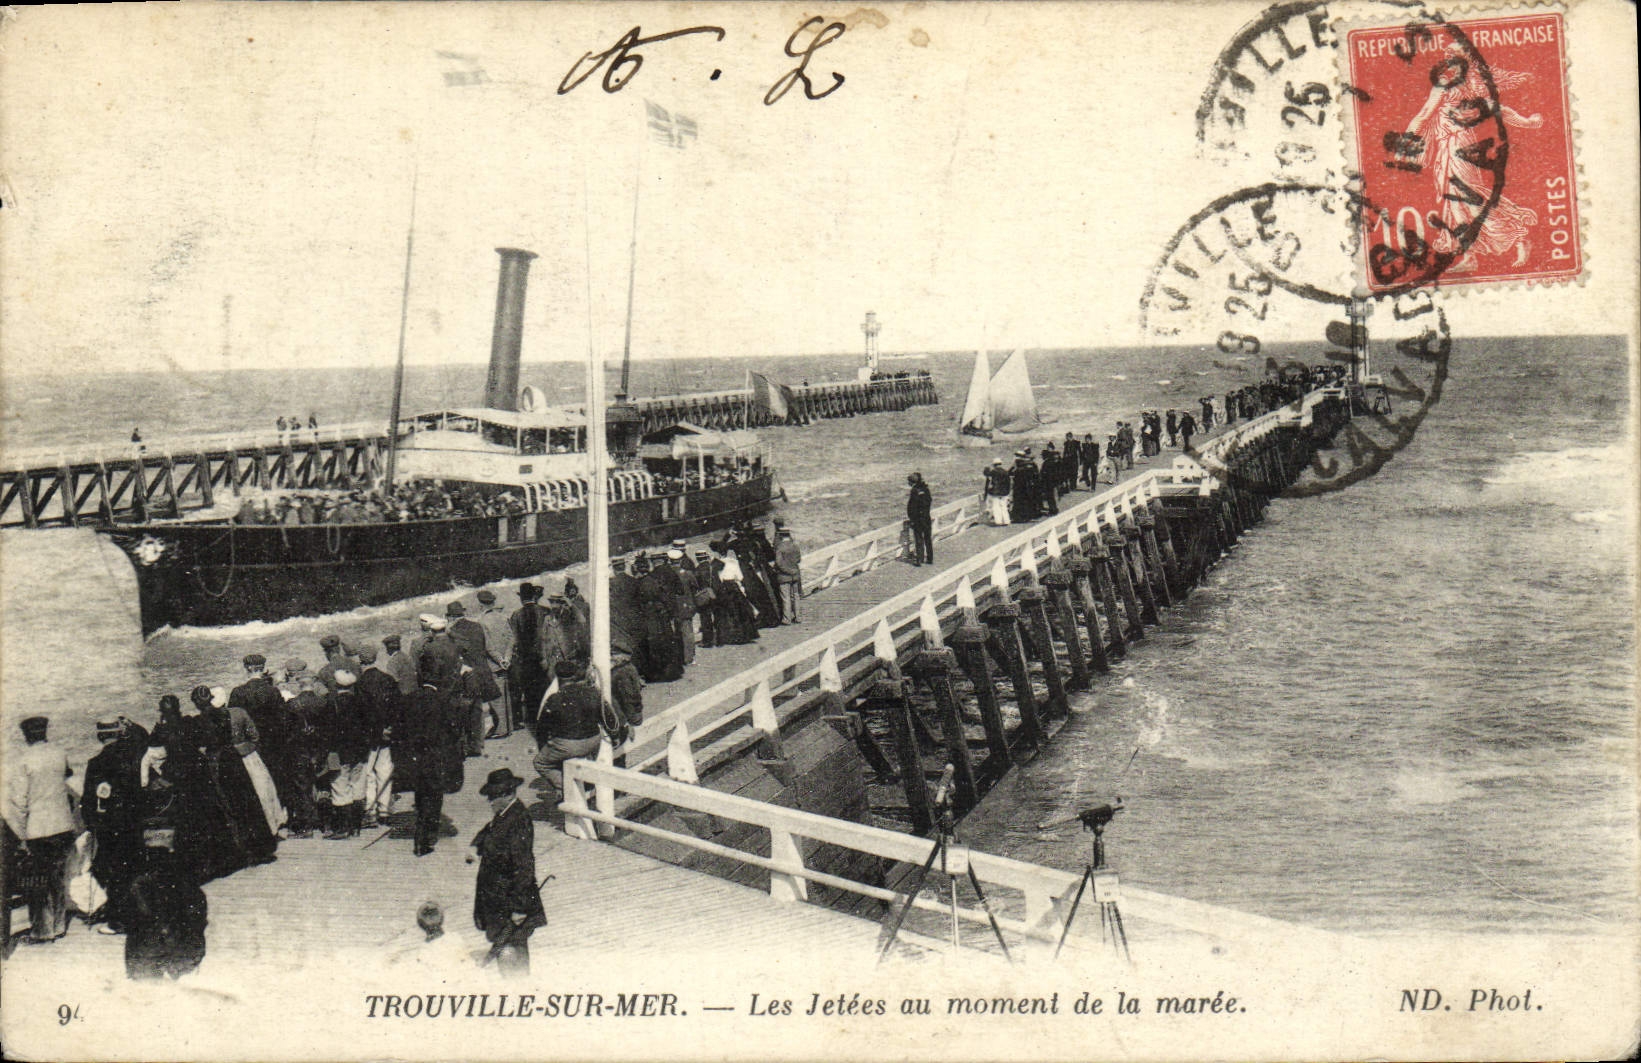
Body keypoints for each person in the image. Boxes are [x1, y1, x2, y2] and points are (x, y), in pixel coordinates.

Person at [5, 716, 77, 944]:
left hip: (39, 829)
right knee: (58, 879)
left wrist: (21, 835)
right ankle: (58, 926)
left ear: (26, 735)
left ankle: (41, 931)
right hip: (63, 825)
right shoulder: (59, 753)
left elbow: (19, 802)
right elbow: (67, 776)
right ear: (44, 732)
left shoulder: (23, 761)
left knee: (38, 882)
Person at [468, 768, 546, 978]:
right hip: (497, 899)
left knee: (511, 949)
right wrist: (476, 847)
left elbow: (524, 866)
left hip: (511, 901)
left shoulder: (518, 820)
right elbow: (490, 831)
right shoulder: (503, 815)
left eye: (493, 797)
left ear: (507, 794)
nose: (490, 802)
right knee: (506, 946)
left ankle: (517, 988)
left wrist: (520, 908)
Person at [83, 717, 149, 935]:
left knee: (114, 872)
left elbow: (89, 801)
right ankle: (142, 915)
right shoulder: (134, 756)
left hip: (110, 825)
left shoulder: (96, 763)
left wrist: (90, 822)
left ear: (100, 735)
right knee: (134, 867)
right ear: (119, 733)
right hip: (134, 821)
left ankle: (118, 920)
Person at [124, 822, 208, 980]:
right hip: (177, 961)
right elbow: (198, 920)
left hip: (149, 960)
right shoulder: (188, 887)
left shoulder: (139, 886)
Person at [398, 678, 462, 857]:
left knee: (421, 793)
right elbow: (455, 729)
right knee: (434, 796)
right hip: (436, 757)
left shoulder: (409, 699)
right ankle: (426, 837)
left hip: (415, 756)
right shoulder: (443, 699)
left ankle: (422, 833)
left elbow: (400, 728)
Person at [532, 661, 604, 797]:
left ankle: (569, 789)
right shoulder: (592, 692)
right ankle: (587, 787)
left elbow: (542, 729)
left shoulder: (554, 699)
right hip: (594, 740)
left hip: (568, 745)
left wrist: (544, 747)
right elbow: (604, 715)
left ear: (557, 678)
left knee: (540, 763)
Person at [355, 646, 401, 829]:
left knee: (369, 774)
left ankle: (370, 811)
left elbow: (363, 714)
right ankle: (385, 810)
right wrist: (389, 727)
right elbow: (397, 707)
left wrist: (375, 730)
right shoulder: (388, 679)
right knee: (385, 771)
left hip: (371, 735)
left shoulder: (360, 684)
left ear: (361, 661)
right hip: (388, 733)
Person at [508, 585, 551, 730]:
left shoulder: (516, 614)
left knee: (529, 689)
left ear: (521, 598)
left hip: (525, 659)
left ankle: (533, 719)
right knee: (545, 686)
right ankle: (546, 716)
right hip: (544, 656)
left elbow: (513, 639)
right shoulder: (545, 611)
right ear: (535, 596)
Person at [473, 590, 515, 735]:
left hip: (493, 663)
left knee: (496, 697)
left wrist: (499, 659)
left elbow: (488, 646)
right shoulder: (503, 617)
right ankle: (509, 726)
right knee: (506, 693)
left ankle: (501, 729)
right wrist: (507, 658)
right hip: (506, 661)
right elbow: (511, 638)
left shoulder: (481, 622)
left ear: (480, 604)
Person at [774, 530, 802, 623]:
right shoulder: (795, 546)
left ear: (781, 536)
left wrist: (786, 570)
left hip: (784, 576)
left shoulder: (780, 547)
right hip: (795, 574)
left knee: (786, 597)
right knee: (796, 596)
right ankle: (798, 617)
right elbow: (798, 559)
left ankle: (787, 619)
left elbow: (778, 563)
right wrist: (792, 569)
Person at [905, 472, 934, 565]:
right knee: (928, 538)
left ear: (911, 482)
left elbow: (912, 507)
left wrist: (912, 519)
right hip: (926, 517)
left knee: (918, 539)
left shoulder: (914, 490)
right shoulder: (925, 489)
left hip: (918, 519)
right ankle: (930, 558)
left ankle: (919, 559)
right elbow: (929, 501)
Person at [1010, 449, 1039, 523]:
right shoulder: (1030, 465)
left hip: (1020, 487)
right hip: (1029, 486)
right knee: (1027, 501)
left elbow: (1010, 472)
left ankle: (1019, 518)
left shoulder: (1018, 465)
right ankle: (1028, 516)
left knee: (1019, 502)